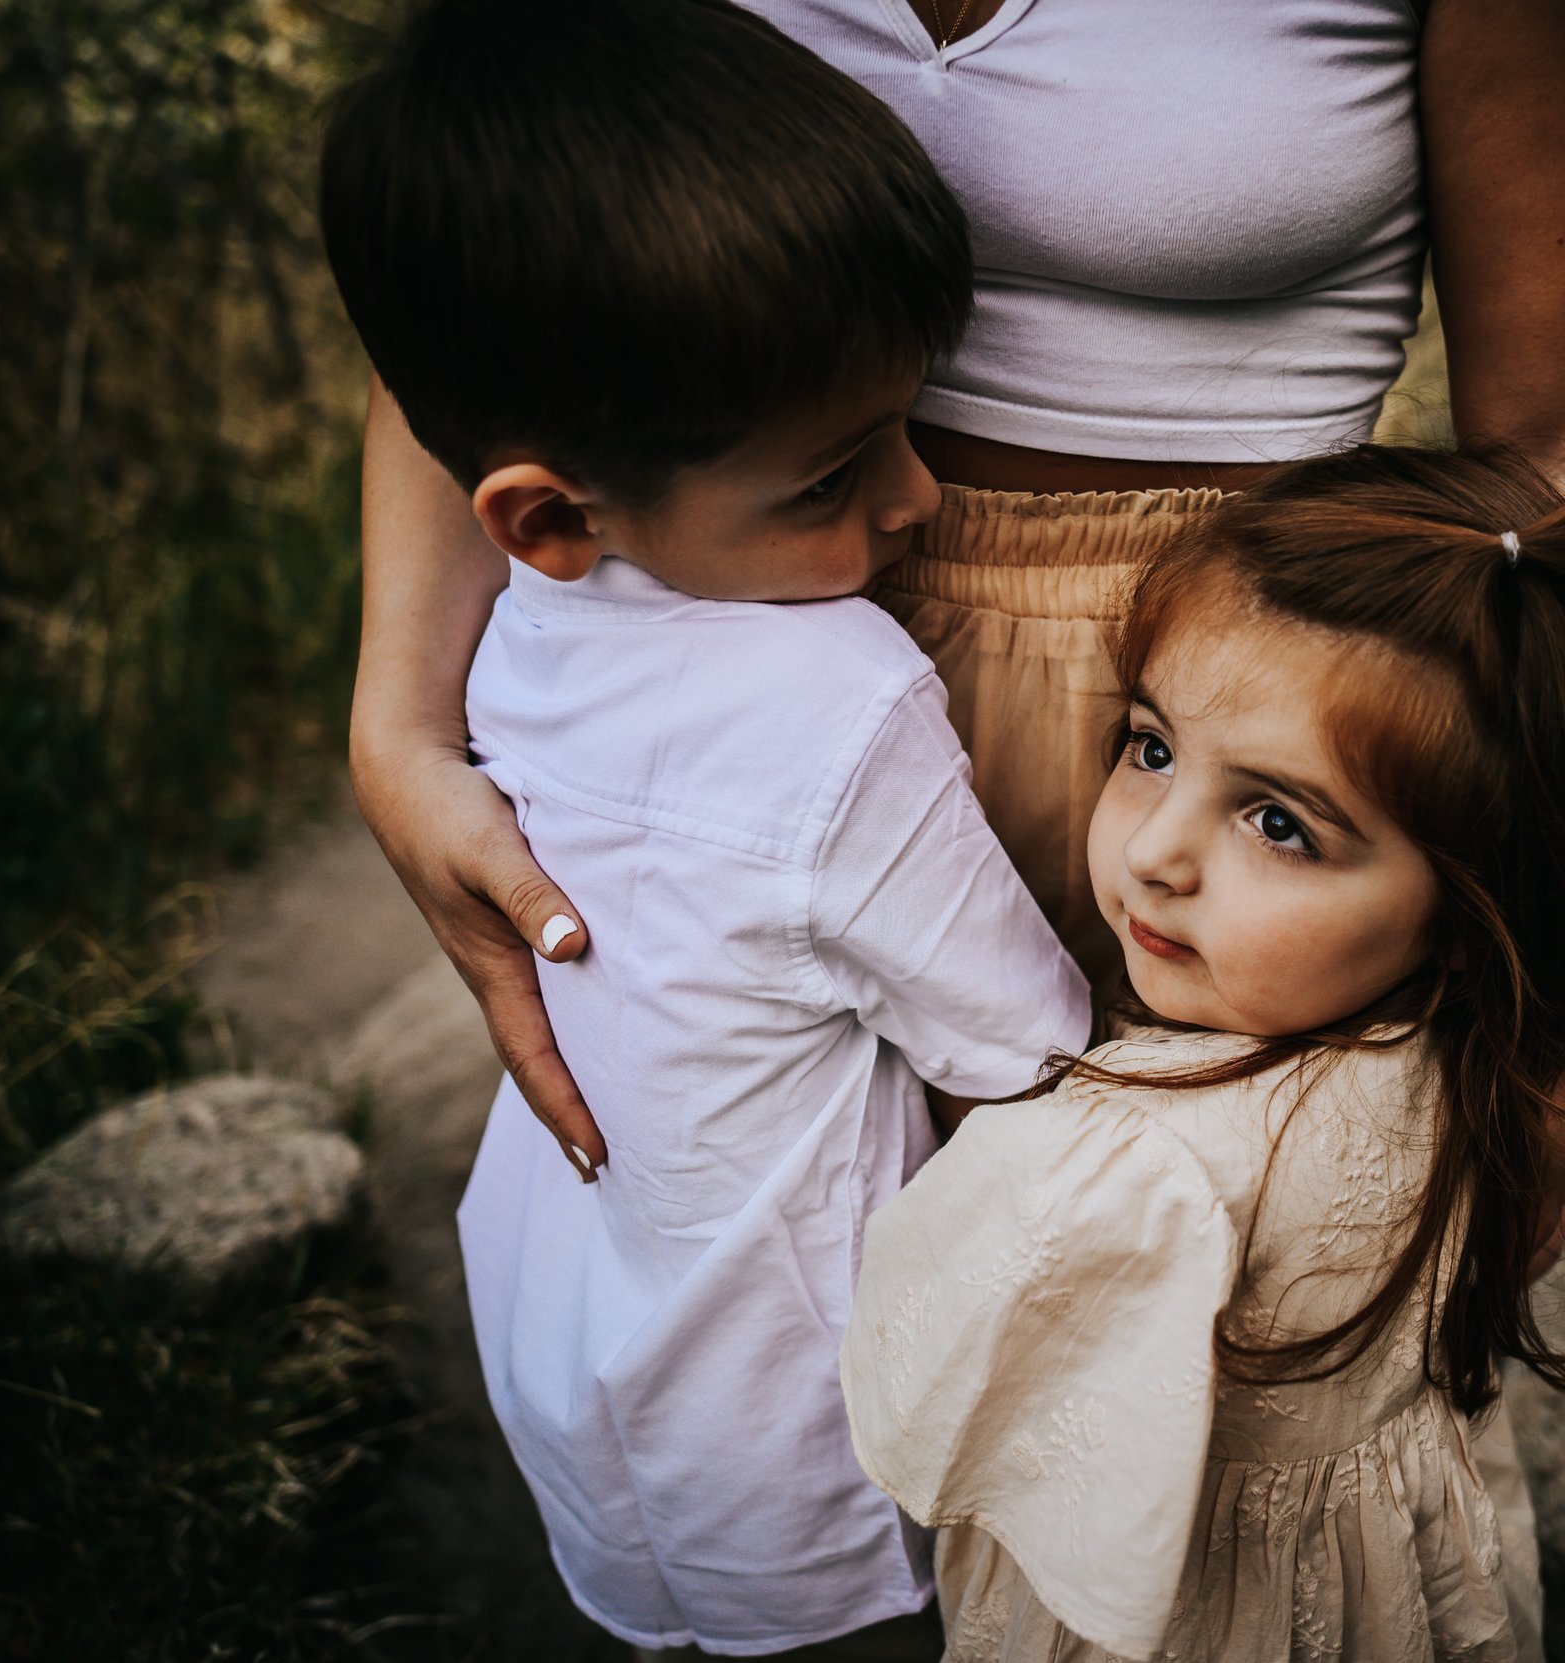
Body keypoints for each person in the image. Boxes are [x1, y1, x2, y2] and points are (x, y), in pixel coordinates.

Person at [350, 0, 1565, 1648]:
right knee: (834, 1365)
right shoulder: (779, 697)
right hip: (752, 715)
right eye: (855, 463)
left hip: (1240, 709)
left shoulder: (1156, 798)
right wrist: (400, 727)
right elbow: (473, 286)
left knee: (1218, 1470)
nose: (905, 498)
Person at [318, 1, 1090, 1655]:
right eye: (829, 479)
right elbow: (1024, 1051)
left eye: (908, 420)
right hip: (808, 1430)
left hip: (583, 1352)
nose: (915, 499)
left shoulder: (521, 628)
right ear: (549, 514)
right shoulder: (840, 704)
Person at [840, 444, 1565, 1660]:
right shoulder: (1458, 1058)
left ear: (1468, 908)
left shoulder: (1125, 1158)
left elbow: (922, 1389)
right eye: (1150, 747)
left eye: (1279, 822)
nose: (1155, 853)